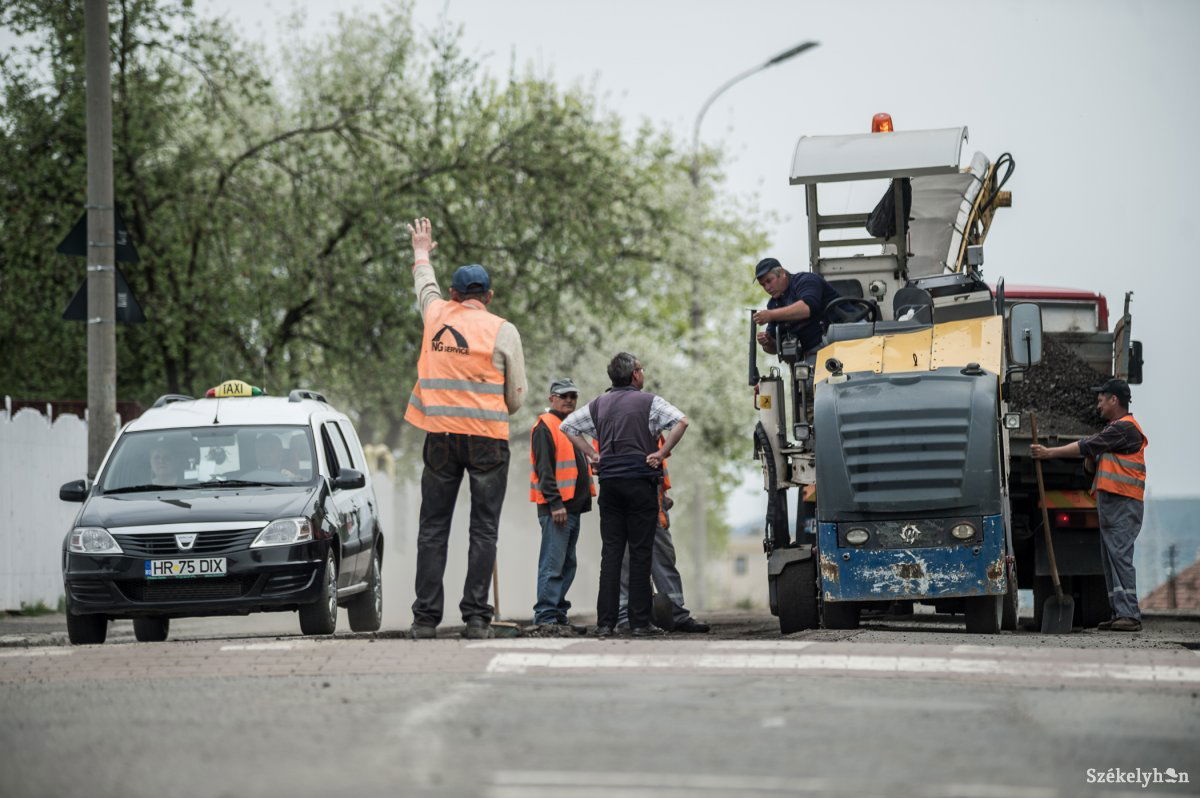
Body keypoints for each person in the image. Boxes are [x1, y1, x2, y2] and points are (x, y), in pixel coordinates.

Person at [404, 217, 528, 640]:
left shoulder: (435, 314)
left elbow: (425, 285)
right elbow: (516, 398)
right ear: (489, 297)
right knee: (483, 529)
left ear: (454, 295)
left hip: (440, 436)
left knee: (433, 529)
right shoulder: (503, 330)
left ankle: (425, 620)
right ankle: (476, 618)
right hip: (487, 441)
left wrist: (421, 251)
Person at [561, 352, 688, 638]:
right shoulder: (650, 402)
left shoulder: (599, 404)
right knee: (641, 553)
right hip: (640, 484)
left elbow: (567, 426)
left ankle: (605, 624)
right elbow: (682, 421)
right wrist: (661, 453)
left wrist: (593, 454)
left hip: (610, 486)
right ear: (634, 375)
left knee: (612, 554)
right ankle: (640, 623)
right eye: (641, 369)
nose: (643, 373)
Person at [1031, 378, 1147, 632]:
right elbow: (1091, 463)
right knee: (1110, 559)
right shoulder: (1113, 431)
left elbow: (1086, 446)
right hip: (1112, 503)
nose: (1098, 405)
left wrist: (1049, 453)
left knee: (1119, 558)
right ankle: (1119, 613)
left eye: (1101, 400)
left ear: (1114, 400)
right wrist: (1091, 459)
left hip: (1123, 503)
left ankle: (1130, 614)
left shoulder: (1124, 429)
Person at [529, 377, 594, 631]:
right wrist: (555, 503)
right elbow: (544, 470)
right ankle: (546, 616)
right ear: (552, 399)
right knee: (553, 564)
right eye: (563, 396)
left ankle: (557, 614)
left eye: (573, 396)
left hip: (572, 509)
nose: (569, 400)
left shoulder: (570, 426)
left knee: (567, 564)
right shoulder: (546, 426)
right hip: (558, 509)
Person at [617, 458, 710, 633]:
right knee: (627, 563)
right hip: (626, 502)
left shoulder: (654, 440)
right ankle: (624, 617)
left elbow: (659, 466)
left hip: (654, 504)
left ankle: (677, 615)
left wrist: (663, 495)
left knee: (663, 561)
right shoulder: (618, 439)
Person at [752, 258, 840, 358]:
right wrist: (767, 342)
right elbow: (775, 348)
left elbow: (807, 308)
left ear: (782, 273)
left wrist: (771, 315)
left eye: (769, 281)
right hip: (809, 356)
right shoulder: (773, 304)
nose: (767, 288)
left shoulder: (806, 280)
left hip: (839, 341)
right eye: (763, 285)